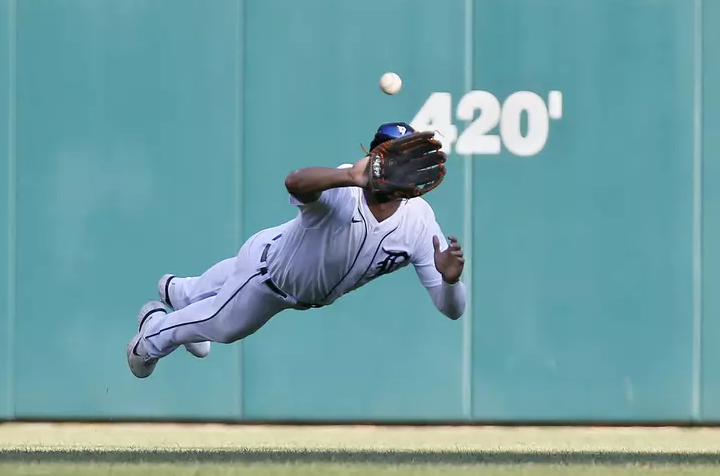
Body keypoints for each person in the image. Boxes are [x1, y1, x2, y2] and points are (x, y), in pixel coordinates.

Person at [126, 122, 466, 378]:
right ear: (372, 157)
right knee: (221, 324)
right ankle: (149, 337)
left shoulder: (419, 221)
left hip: (278, 250)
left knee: (218, 290)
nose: (397, 171)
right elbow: (295, 182)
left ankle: (179, 291)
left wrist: (450, 281)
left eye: (405, 164)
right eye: (390, 159)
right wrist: (350, 176)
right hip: (268, 280)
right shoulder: (342, 189)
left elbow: (451, 310)